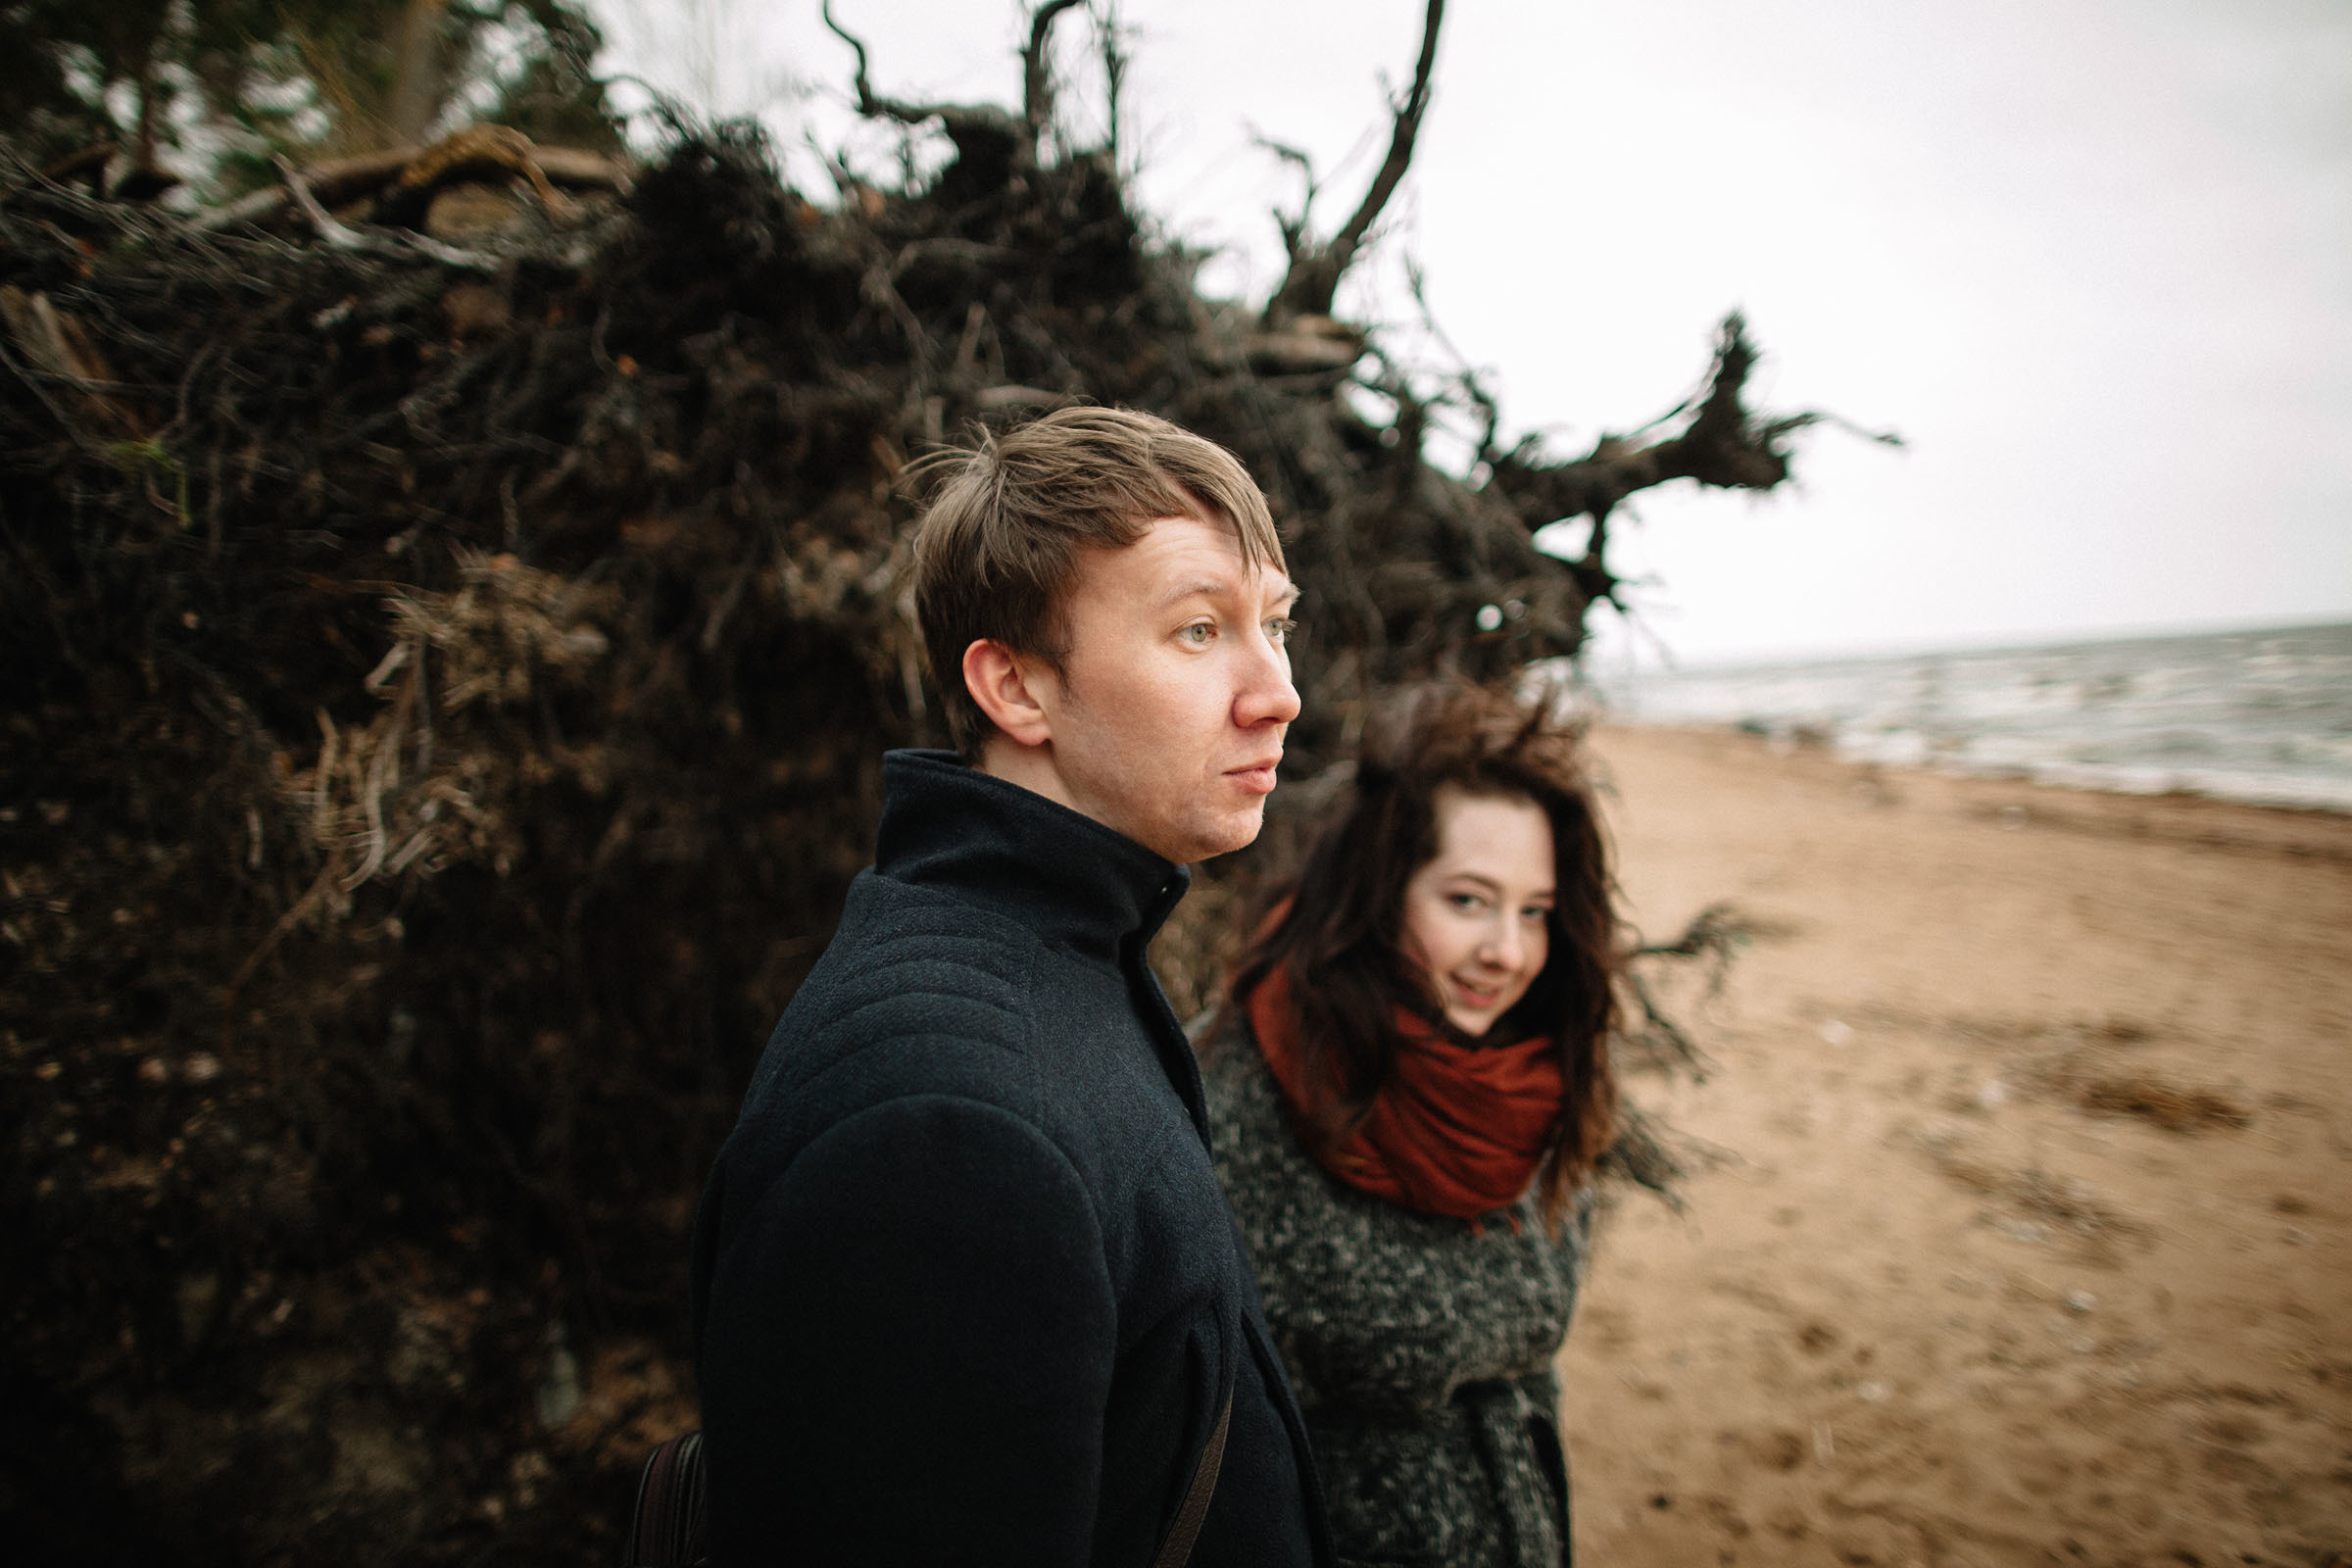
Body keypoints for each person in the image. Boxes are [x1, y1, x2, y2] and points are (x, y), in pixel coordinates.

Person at [689, 406, 1331, 1567]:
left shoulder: (1070, 956)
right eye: (1199, 631)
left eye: (1274, 626)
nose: (1276, 691)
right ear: (1017, 690)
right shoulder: (947, 1130)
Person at [1198, 683, 1620, 1568]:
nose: (1508, 952)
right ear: (1382, 893)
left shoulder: (1531, 1083)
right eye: (1468, 900)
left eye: (1534, 911)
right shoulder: (1251, 1100)